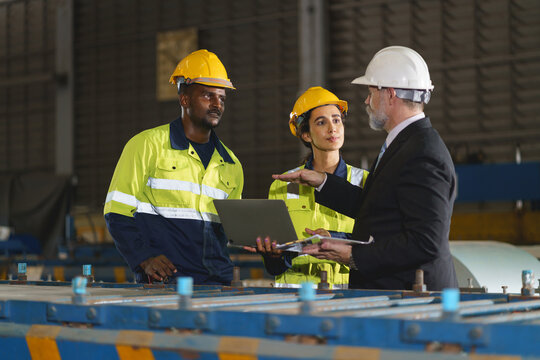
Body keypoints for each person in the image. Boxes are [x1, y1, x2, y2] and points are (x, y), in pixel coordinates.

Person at [273, 46, 458, 291]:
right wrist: (322, 182)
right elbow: (377, 208)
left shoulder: (422, 153)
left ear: (390, 95)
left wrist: (354, 256)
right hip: (398, 295)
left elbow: (426, 242)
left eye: (371, 92)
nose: (366, 101)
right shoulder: (406, 145)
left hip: (409, 299)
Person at [104, 49, 244, 285]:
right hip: (166, 281)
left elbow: (231, 232)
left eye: (222, 98)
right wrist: (144, 258)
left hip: (218, 282)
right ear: (184, 99)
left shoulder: (230, 163)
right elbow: (116, 214)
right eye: (208, 95)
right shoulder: (146, 145)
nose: (217, 104)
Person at [246, 87, 368, 289]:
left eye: (336, 120)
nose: (333, 128)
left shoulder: (365, 182)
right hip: (293, 300)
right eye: (321, 122)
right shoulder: (283, 186)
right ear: (306, 135)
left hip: (347, 298)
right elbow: (276, 267)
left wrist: (334, 239)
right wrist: (272, 255)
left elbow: (378, 245)